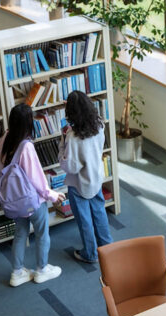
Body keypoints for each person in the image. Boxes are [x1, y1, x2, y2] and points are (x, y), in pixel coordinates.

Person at [0, 103, 65, 287]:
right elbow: (37, 179)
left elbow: (2, 167)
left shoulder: (4, 138)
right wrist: (52, 195)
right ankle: (42, 270)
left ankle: (17, 272)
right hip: (31, 201)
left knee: (20, 234)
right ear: (28, 123)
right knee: (42, 233)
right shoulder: (26, 147)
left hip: (13, 201)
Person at [59, 90, 113, 263]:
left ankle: (90, 253)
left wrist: (62, 143)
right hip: (96, 177)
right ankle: (108, 248)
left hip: (78, 184)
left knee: (84, 220)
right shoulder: (99, 126)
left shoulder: (72, 137)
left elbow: (70, 166)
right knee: (99, 212)